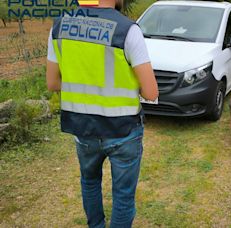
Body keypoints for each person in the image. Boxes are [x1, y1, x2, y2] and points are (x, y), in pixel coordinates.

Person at [46, 0, 158, 227]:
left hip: (82, 127)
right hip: (123, 130)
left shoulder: (59, 27)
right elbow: (150, 92)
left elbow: (53, 83)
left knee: (89, 182)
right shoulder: (128, 30)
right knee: (123, 195)